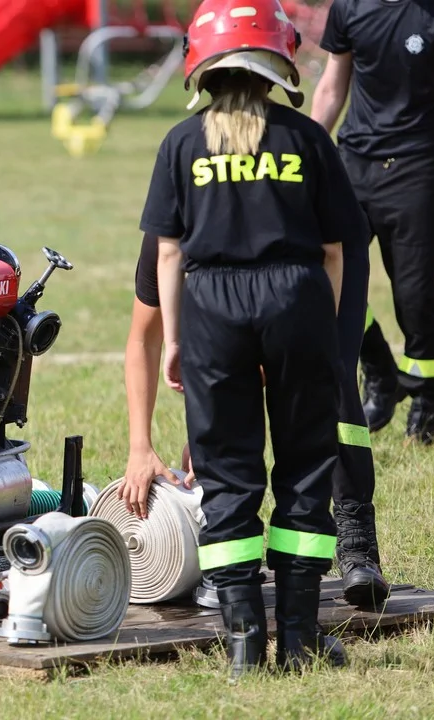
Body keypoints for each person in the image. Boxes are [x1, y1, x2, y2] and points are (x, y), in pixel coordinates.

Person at [137, 0, 369, 678]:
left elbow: (169, 256)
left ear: (201, 68)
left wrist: (178, 339)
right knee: (303, 467)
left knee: (226, 474)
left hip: (211, 307)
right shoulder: (307, 139)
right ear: (279, 63)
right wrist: (318, 330)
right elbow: (335, 252)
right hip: (296, 298)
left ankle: (243, 644)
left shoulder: (181, 145)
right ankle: (297, 637)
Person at [122, 226, 390, 611]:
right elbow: (143, 339)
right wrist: (140, 447)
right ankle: (229, 559)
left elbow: (286, 347)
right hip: (261, 276)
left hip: (325, 251)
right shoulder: (172, 232)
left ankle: (356, 542)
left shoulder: (275, 216)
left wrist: (217, 428)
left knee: (329, 378)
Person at [310, 0, 434, 445]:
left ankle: (427, 405)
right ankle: (380, 370)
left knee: (416, 295)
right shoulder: (349, 8)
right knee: (325, 278)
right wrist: (310, 151)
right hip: (353, 164)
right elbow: (333, 86)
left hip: (416, 168)